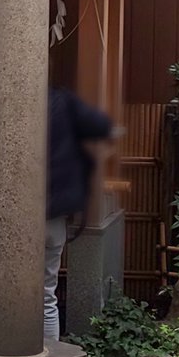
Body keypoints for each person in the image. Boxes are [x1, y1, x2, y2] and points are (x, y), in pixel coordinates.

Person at [44, 87, 114, 343]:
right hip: (55, 215)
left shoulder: (12, 104)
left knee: (14, 295)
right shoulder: (63, 101)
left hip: (18, 218)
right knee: (46, 297)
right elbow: (103, 126)